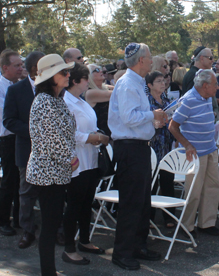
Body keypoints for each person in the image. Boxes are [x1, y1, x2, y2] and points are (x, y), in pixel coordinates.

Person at [108, 43, 167, 271]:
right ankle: (122, 252)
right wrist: (153, 115)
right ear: (141, 60)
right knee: (132, 203)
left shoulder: (136, 83)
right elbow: (130, 118)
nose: (152, 61)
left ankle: (138, 246)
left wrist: (153, 120)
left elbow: (135, 119)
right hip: (130, 149)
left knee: (142, 202)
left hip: (139, 147)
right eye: (150, 57)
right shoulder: (127, 84)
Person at [27, 53, 78, 276]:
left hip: (56, 172)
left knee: (52, 223)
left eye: (68, 71)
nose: (68, 75)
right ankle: (48, 272)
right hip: (48, 174)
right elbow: (51, 140)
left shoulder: (55, 99)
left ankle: (49, 271)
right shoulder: (45, 101)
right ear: (50, 77)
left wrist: (69, 157)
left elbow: (64, 134)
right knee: (49, 226)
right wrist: (71, 158)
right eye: (63, 72)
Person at [63, 63, 109, 265]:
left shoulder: (81, 101)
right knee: (74, 205)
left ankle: (84, 239)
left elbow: (91, 123)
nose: (87, 83)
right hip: (77, 162)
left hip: (90, 160)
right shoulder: (65, 102)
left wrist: (99, 134)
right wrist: (93, 137)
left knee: (86, 203)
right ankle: (69, 248)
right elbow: (68, 133)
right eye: (85, 79)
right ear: (76, 81)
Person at [168, 69, 219, 236]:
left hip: (210, 149)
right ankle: (187, 225)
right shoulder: (188, 100)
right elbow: (173, 126)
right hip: (195, 153)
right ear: (205, 86)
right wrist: (187, 145)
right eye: (215, 84)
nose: (218, 87)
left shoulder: (206, 97)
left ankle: (206, 223)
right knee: (194, 191)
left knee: (213, 187)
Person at [3, 51, 44, 248]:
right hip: (26, 149)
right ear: (34, 68)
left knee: (53, 192)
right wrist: (34, 131)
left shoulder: (54, 88)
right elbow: (8, 120)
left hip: (50, 152)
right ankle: (28, 231)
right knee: (26, 193)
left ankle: (57, 229)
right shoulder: (16, 90)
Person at [0, 49, 24, 236]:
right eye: (17, 65)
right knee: (10, 180)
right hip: (8, 139)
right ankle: (3, 220)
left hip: (22, 137)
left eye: (21, 65)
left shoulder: (21, 86)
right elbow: (7, 117)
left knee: (22, 180)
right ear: (5, 67)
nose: (21, 68)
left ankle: (19, 219)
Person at [145, 71, 176, 228]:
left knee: (167, 181)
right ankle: (148, 217)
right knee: (150, 183)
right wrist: (154, 124)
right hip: (152, 145)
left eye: (164, 81)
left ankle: (169, 216)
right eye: (159, 81)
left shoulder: (166, 99)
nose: (163, 84)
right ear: (150, 85)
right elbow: (142, 121)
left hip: (166, 144)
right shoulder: (146, 101)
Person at [85, 64, 113, 139]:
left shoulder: (105, 87)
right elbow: (116, 93)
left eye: (100, 69)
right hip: (102, 136)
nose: (101, 71)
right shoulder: (90, 93)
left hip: (113, 133)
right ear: (89, 76)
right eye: (96, 70)